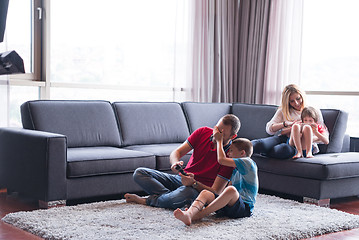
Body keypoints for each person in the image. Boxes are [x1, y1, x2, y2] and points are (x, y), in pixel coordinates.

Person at [124, 114, 241, 210]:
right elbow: (177, 152)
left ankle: (148, 200)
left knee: (187, 194)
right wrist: (175, 162)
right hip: (181, 179)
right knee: (140, 173)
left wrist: (194, 183)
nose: (216, 134)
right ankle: (171, 198)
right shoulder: (203, 132)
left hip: (196, 189)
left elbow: (216, 193)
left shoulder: (230, 157)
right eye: (216, 129)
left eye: (222, 134)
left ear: (233, 136)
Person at [173, 128, 258, 226]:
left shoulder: (248, 162)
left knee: (231, 190)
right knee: (206, 193)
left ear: (242, 153)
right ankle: (190, 213)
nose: (228, 154)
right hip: (230, 206)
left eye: (231, 151)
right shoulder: (235, 169)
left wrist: (219, 142)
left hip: (244, 209)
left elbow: (221, 160)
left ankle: (198, 215)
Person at [252, 84, 326, 159]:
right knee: (259, 144)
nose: (296, 103)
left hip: (298, 143)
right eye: (292, 101)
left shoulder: (313, 110)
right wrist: (286, 124)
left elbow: (324, 136)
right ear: (288, 102)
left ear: (302, 96)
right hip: (283, 138)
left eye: (298, 98)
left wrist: (306, 137)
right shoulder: (283, 111)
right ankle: (248, 150)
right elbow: (269, 130)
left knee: (283, 150)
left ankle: (263, 153)